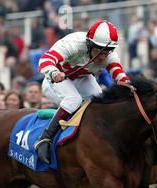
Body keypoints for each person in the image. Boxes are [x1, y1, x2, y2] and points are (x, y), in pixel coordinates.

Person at [34, 20, 130, 164]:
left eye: (107, 51)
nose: (103, 57)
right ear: (88, 44)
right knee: (74, 100)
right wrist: (54, 72)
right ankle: (44, 139)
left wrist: (127, 84)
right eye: (99, 50)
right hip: (54, 81)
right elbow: (45, 59)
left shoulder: (107, 53)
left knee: (99, 100)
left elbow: (119, 74)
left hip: (81, 78)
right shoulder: (71, 43)